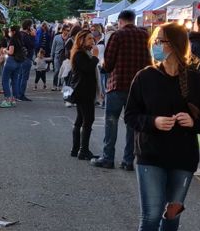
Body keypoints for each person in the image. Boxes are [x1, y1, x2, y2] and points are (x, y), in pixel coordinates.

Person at [125, 24, 200, 231]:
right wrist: (153, 122)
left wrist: (193, 122)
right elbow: (131, 115)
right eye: (155, 41)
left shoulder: (199, 80)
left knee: (173, 212)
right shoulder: (145, 76)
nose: (156, 45)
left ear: (175, 45)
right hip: (150, 155)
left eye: (161, 41)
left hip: (183, 157)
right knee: (151, 215)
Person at [93, 10, 151, 171]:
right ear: (133, 20)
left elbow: (108, 63)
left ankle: (108, 157)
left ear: (120, 21)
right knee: (132, 124)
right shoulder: (145, 35)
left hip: (117, 85)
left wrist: (103, 66)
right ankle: (128, 160)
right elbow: (150, 61)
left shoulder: (117, 35)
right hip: (138, 88)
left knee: (111, 122)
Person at [69, 30, 99, 159]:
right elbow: (87, 68)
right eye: (89, 39)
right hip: (83, 91)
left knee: (80, 119)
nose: (93, 41)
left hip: (84, 90)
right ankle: (83, 150)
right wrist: (95, 57)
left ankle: (76, 149)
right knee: (88, 119)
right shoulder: (80, 54)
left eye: (93, 38)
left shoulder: (84, 53)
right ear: (81, 40)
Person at [0, 26, 26, 108]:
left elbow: (11, 52)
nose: (9, 32)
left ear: (13, 32)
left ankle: (7, 99)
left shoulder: (12, 40)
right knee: (15, 80)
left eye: (10, 31)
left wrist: (4, 50)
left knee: (5, 80)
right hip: (19, 62)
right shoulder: (20, 39)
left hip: (11, 61)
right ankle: (14, 99)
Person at [17, 21, 36, 100]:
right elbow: (32, 45)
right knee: (24, 77)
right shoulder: (26, 36)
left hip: (20, 58)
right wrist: (33, 36)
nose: (32, 28)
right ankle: (21, 95)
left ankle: (17, 94)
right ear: (28, 27)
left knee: (20, 76)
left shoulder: (20, 34)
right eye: (31, 26)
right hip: (26, 58)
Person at [51, 25, 69, 90]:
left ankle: (60, 85)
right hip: (57, 56)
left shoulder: (69, 38)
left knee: (63, 71)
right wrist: (52, 56)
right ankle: (54, 84)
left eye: (69, 30)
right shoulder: (57, 37)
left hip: (65, 57)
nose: (68, 32)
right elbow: (53, 47)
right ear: (63, 30)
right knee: (57, 70)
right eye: (67, 30)